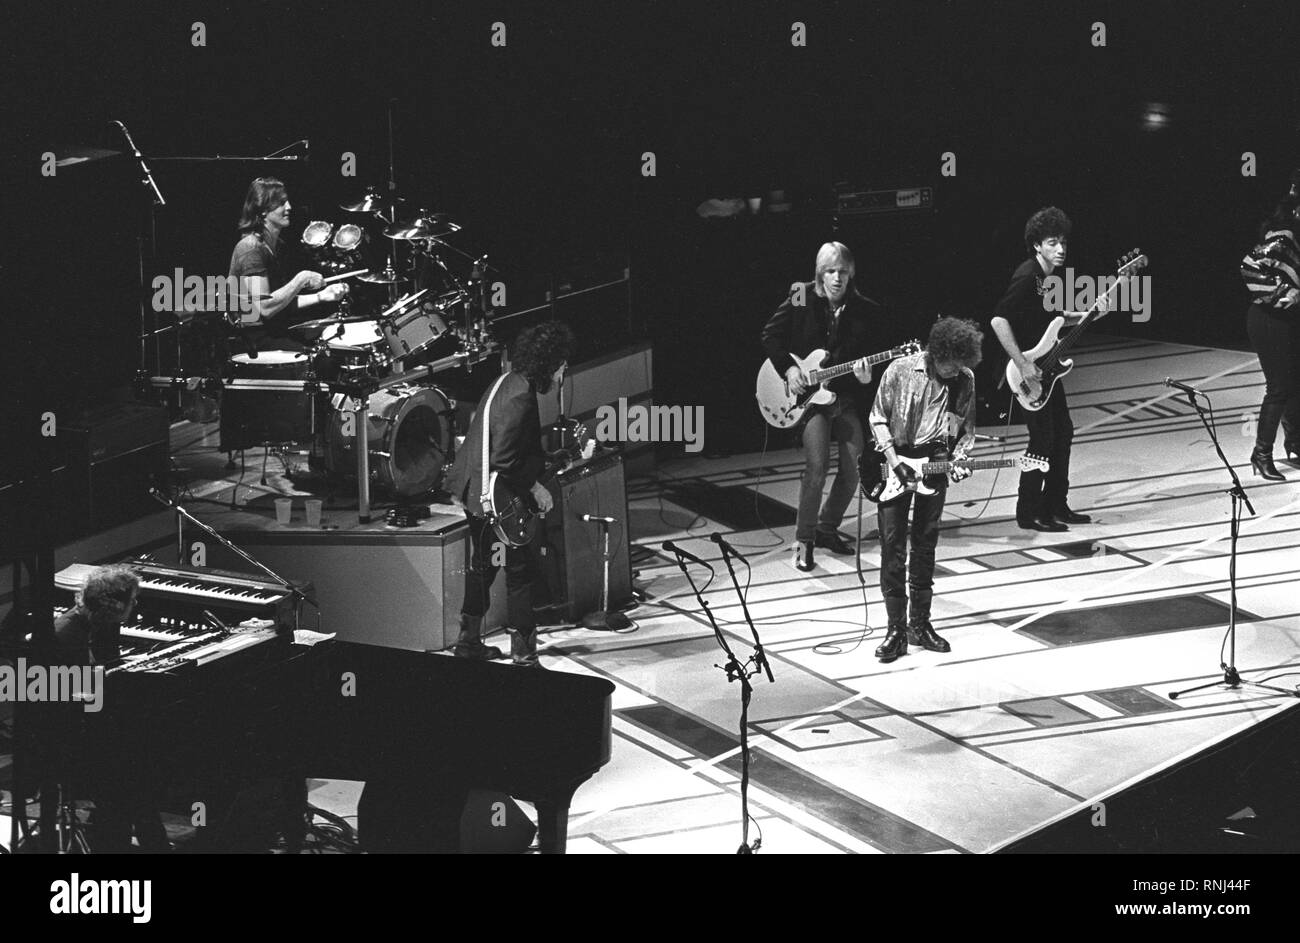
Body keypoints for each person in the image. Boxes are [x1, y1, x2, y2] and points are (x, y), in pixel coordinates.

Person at [443, 321, 574, 666]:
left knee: (482, 567)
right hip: (498, 499)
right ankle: (525, 655)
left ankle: (468, 643)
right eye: (562, 364)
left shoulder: (505, 382)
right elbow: (505, 459)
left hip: (475, 494)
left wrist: (551, 460)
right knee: (519, 573)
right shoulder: (521, 398)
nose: (563, 371)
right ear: (550, 363)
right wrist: (536, 488)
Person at [761, 241, 884, 572]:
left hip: (842, 397)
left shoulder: (864, 308)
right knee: (817, 467)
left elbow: (868, 370)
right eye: (830, 271)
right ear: (820, 274)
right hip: (810, 402)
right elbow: (771, 336)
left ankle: (827, 528)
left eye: (843, 272)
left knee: (854, 466)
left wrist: (863, 378)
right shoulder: (801, 294)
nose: (837, 278)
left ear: (851, 273)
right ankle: (804, 539)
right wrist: (789, 369)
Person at [869, 317, 982, 662]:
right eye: (953, 362)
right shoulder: (900, 370)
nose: (958, 369)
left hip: (934, 462)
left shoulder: (964, 380)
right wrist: (893, 459)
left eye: (964, 362)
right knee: (892, 547)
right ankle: (895, 631)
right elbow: (877, 417)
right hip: (895, 462)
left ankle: (920, 625)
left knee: (926, 543)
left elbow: (964, 428)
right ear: (938, 353)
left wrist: (960, 458)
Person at [50, 564, 169, 852]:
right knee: (133, 777)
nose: (135, 604)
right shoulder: (64, 635)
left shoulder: (99, 625)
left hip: (90, 728)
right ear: (112, 605)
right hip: (66, 739)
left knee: (136, 772)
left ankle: (127, 839)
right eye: (131, 600)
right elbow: (73, 701)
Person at [990, 206, 1095, 531]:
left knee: (1062, 432)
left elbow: (1053, 319)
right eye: (1052, 243)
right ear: (1037, 245)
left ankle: (1056, 505)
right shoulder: (1028, 276)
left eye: (1063, 242)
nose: (1060, 249)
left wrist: (1090, 313)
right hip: (1026, 372)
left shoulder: (1048, 279)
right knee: (1043, 439)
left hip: (1046, 367)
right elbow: (998, 320)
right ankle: (1029, 511)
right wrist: (1023, 364)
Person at [228, 177, 349, 352]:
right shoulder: (251, 249)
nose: (289, 207)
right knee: (319, 358)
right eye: (281, 203)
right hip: (253, 340)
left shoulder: (277, 246)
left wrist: (322, 296)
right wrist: (301, 279)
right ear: (262, 211)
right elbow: (265, 307)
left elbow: (281, 302)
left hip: (275, 330)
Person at [1241, 178, 1300, 479]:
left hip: (1288, 319)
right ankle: (1261, 454)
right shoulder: (1284, 235)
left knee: (1295, 383)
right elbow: (1249, 267)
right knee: (1279, 387)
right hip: (1268, 318)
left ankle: (1296, 442)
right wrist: (1284, 295)